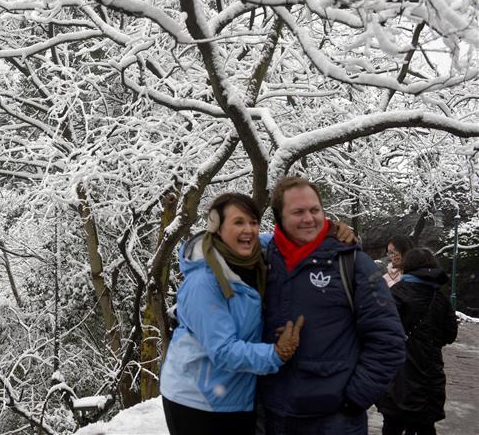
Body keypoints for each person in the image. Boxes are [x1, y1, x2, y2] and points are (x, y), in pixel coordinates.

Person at [259, 176, 406, 435]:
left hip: (334, 421)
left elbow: (389, 340)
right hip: (272, 418)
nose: (309, 218)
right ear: (279, 217)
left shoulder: (351, 262)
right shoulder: (261, 261)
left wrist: (354, 401)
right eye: (298, 212)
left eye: (315, 210)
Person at [160, 192, 304, 435]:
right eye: (238, 222)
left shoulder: (253, 257)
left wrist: (332, 231)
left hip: (235, 397)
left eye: (253, 222)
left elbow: (289, 238)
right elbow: (224, 351)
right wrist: (276, 353)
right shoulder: (204, 282)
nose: (248, 230)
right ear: (216, 227)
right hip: (197, 402)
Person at [377, 248, 458, 435]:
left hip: (398, 376)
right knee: (424, 427)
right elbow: (449, 335)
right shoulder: (440, 298)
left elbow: (382, 332)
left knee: (392, 426)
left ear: (408, 266)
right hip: (429, 377)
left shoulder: (395, 293)